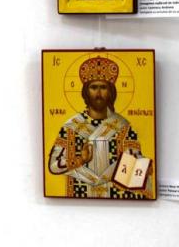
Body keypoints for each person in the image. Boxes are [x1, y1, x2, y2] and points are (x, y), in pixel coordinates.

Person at [47, 57, 147, 199]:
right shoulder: (71, 127)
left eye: (103, 87)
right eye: (93, 87)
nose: (98, 93)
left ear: (110, 92)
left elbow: (135, 160)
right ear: (86, 92)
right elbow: (53, 166)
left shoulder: (123, 127)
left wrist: (142, 166)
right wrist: (80, 159)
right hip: (80, 193)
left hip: (116, 195)